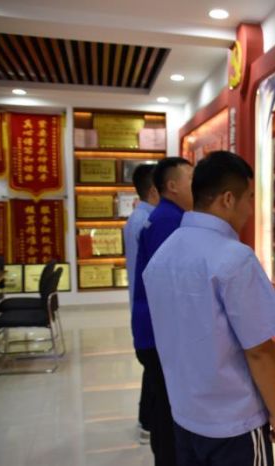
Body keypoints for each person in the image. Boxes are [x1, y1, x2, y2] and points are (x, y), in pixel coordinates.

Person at [144, 151, 275, 466]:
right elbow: (259, 350)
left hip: (185, 415)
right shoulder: (234, 258)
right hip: (234, 421)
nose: (251, 209)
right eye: (249, 198)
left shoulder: (164, 254)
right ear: (227, 199)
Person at [132, 157, 193, 466]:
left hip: (150, 329)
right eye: (190, 179)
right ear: (172, 186)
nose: (197, 185)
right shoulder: (170, 221)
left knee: (162, 406)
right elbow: (170, 285)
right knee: (168, 412)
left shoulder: (164, 216)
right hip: (158, 334)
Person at [123, 163, 160, 444]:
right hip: (148, 306)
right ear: (154, 190)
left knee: (152, 369)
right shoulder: (147, 222)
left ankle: (146, 421)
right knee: (154, 369)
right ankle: (148, 422)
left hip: (141, 304)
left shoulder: (138, 217)